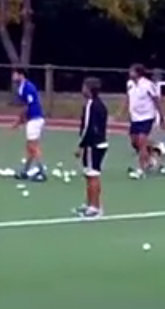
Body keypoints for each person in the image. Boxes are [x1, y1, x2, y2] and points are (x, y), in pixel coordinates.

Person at [75, 77, 110, 219]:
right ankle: (90, 204)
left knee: (92, 175)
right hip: (99, 143)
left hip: (93, 145)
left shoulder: (91, 105)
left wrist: (81, 145)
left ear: (89, 90)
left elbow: (87, 127)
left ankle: (95, 206)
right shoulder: (101, 105)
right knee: (91, 174)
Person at [123, 64, 165, 178]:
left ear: (138, 73)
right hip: (135, 118)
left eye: (132, 71)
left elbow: (156, 100)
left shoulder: (148, 85)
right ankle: (153, 153)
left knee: (141, 142)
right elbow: (128, 98)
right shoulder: (130, 84)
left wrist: (161, 116)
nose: (129, 73)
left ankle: (141, 168)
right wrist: (124, 111)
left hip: (146, 117)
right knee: (134, 142)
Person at [10, 68, 47, 182]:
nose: (13, 76)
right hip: (31, 119)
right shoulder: (21, 88)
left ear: (21, 75)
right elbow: (25, 106)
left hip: (36, 119)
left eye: (15, 74)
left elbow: (29, 106)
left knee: (32, 147)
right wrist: (22, 120)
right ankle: (25, 171)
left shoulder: (28, 87)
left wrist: (19, 120)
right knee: (30, 147)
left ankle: (42, 173)